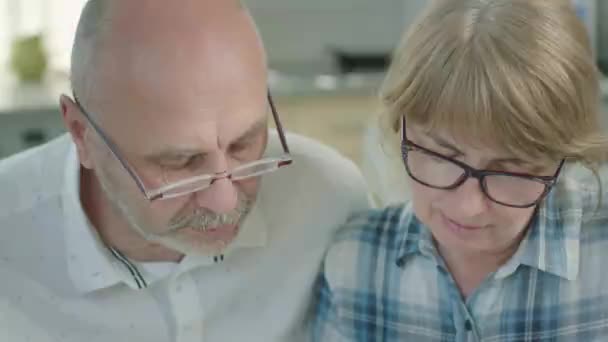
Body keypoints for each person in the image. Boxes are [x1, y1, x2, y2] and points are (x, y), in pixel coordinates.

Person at [0, 0, 370, 341]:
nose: (224, 203)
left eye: (244, 144)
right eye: (179, 163)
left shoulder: (330, 200)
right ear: (82, 135)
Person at [312, 0, 608, 341]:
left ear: (562, 159)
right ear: (400, 129)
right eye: (442, 156)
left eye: (510, 169)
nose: (469, 207)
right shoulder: (354, 263)